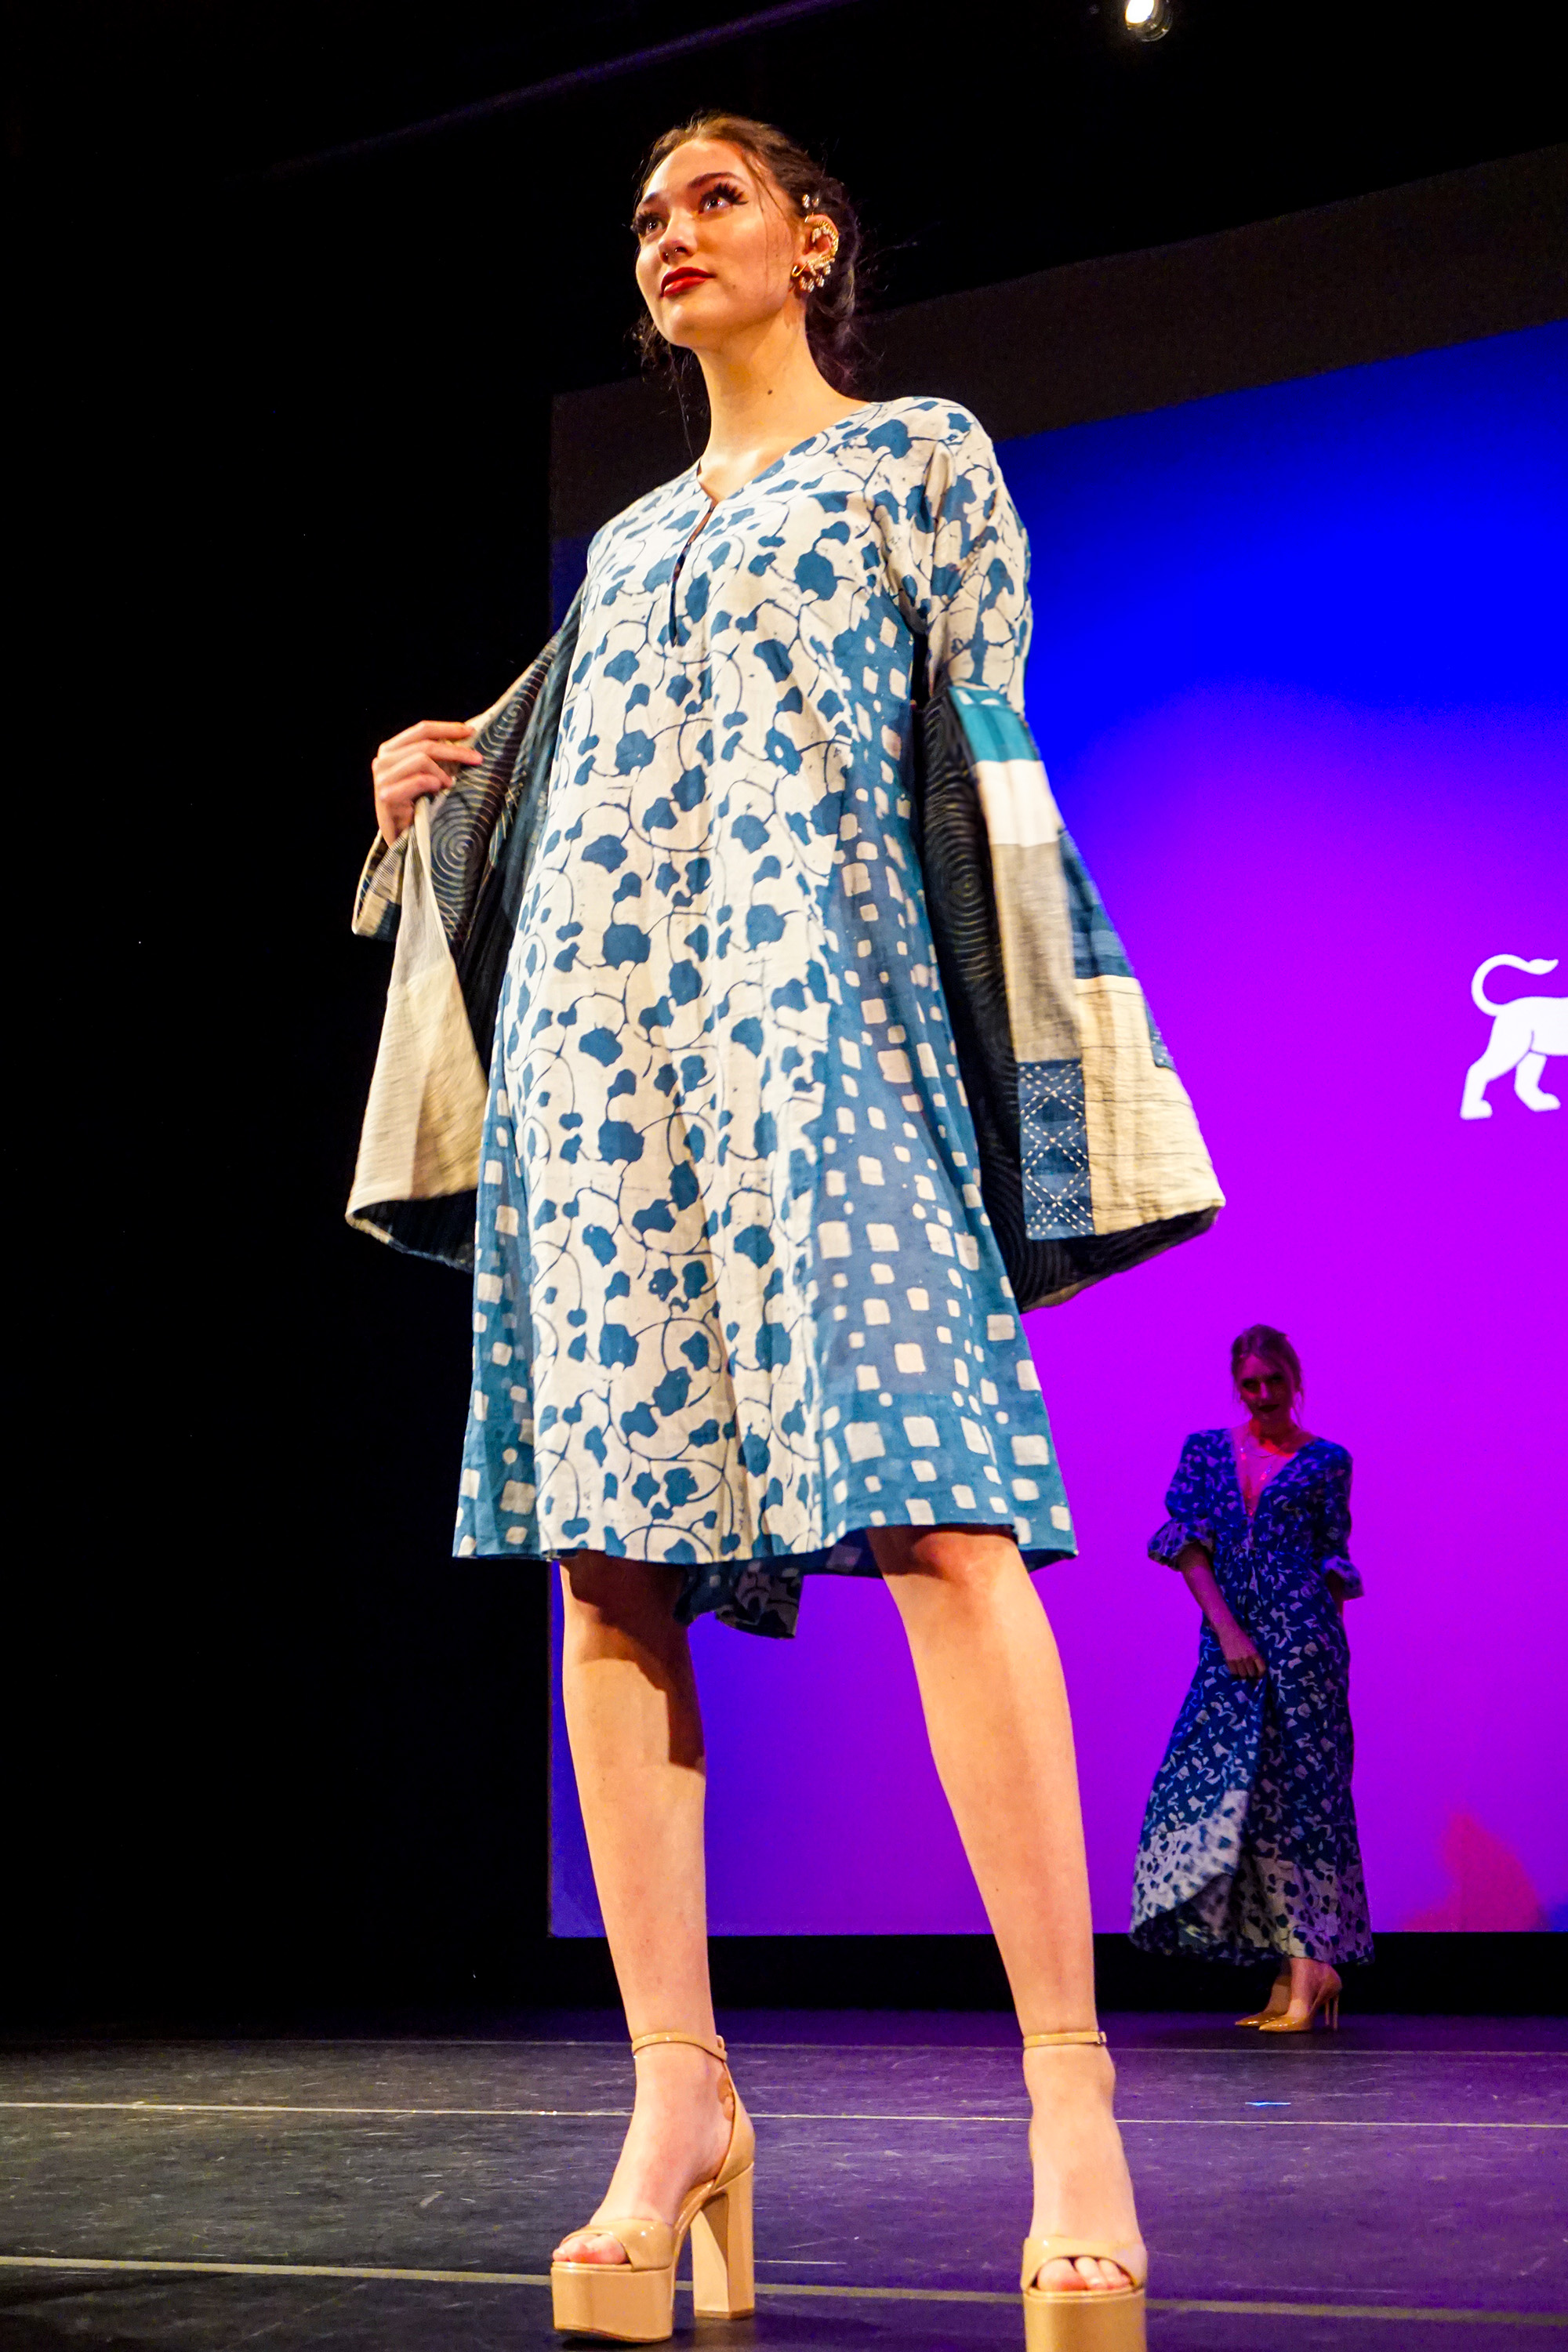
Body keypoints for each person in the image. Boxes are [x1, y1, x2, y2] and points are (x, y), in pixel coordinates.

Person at [368, 113, 1147, 2349]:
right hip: (607, 1084)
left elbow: (977, 760)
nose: (672, 236)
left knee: (948, 1535)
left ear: (814, 240)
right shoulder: (614, 550)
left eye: (715, 200)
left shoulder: (920, 454)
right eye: (645, 219)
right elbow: (556, 779)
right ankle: (678, 2098)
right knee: (608, 1569)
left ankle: (1070, 2104)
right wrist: (436, 794)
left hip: (832, 1048)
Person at [1131, 1324, 1372, 2028]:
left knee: (1302, 1801)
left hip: (1305, 1646)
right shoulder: (1207, 1451)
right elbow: (1190, 1548)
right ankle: (1299, 1966)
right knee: (1227, 1794)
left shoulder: (1328, 1461)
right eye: (1250, 1385)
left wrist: (1325, 1667)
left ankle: (1302, 1973)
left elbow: (1332, 1559)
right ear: (1236, 1386)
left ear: (1295, 1380)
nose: (1263, 1396)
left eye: (1274, 1382)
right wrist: (1228, 1630)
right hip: (1230, 1644)